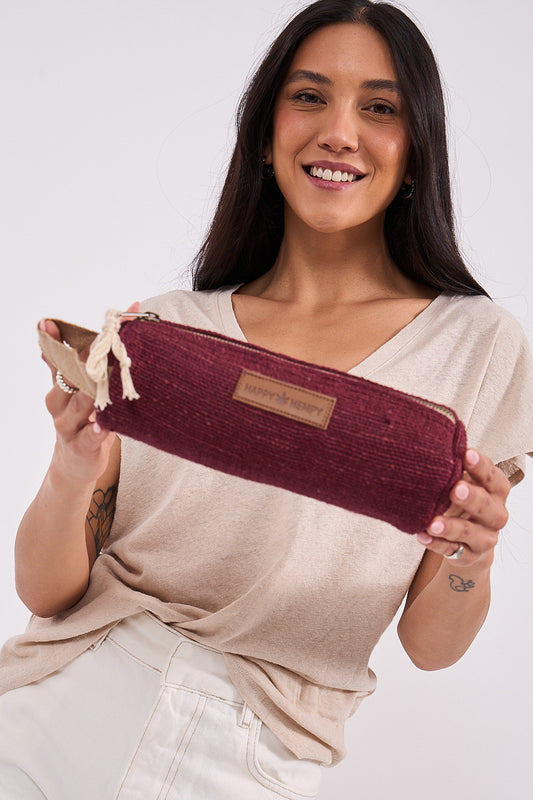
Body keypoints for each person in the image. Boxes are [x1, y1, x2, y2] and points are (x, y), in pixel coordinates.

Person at [1, 1, 532, 798]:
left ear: (417, 149)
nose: (339, 132)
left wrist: (472, 556)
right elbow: (46, 594)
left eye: (379, 108)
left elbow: (432, 648)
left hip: (254, 753)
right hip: (61, 708)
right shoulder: (166, 332)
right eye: (308, 97)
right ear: (262, 133)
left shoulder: (477, 345)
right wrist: (72, 469)